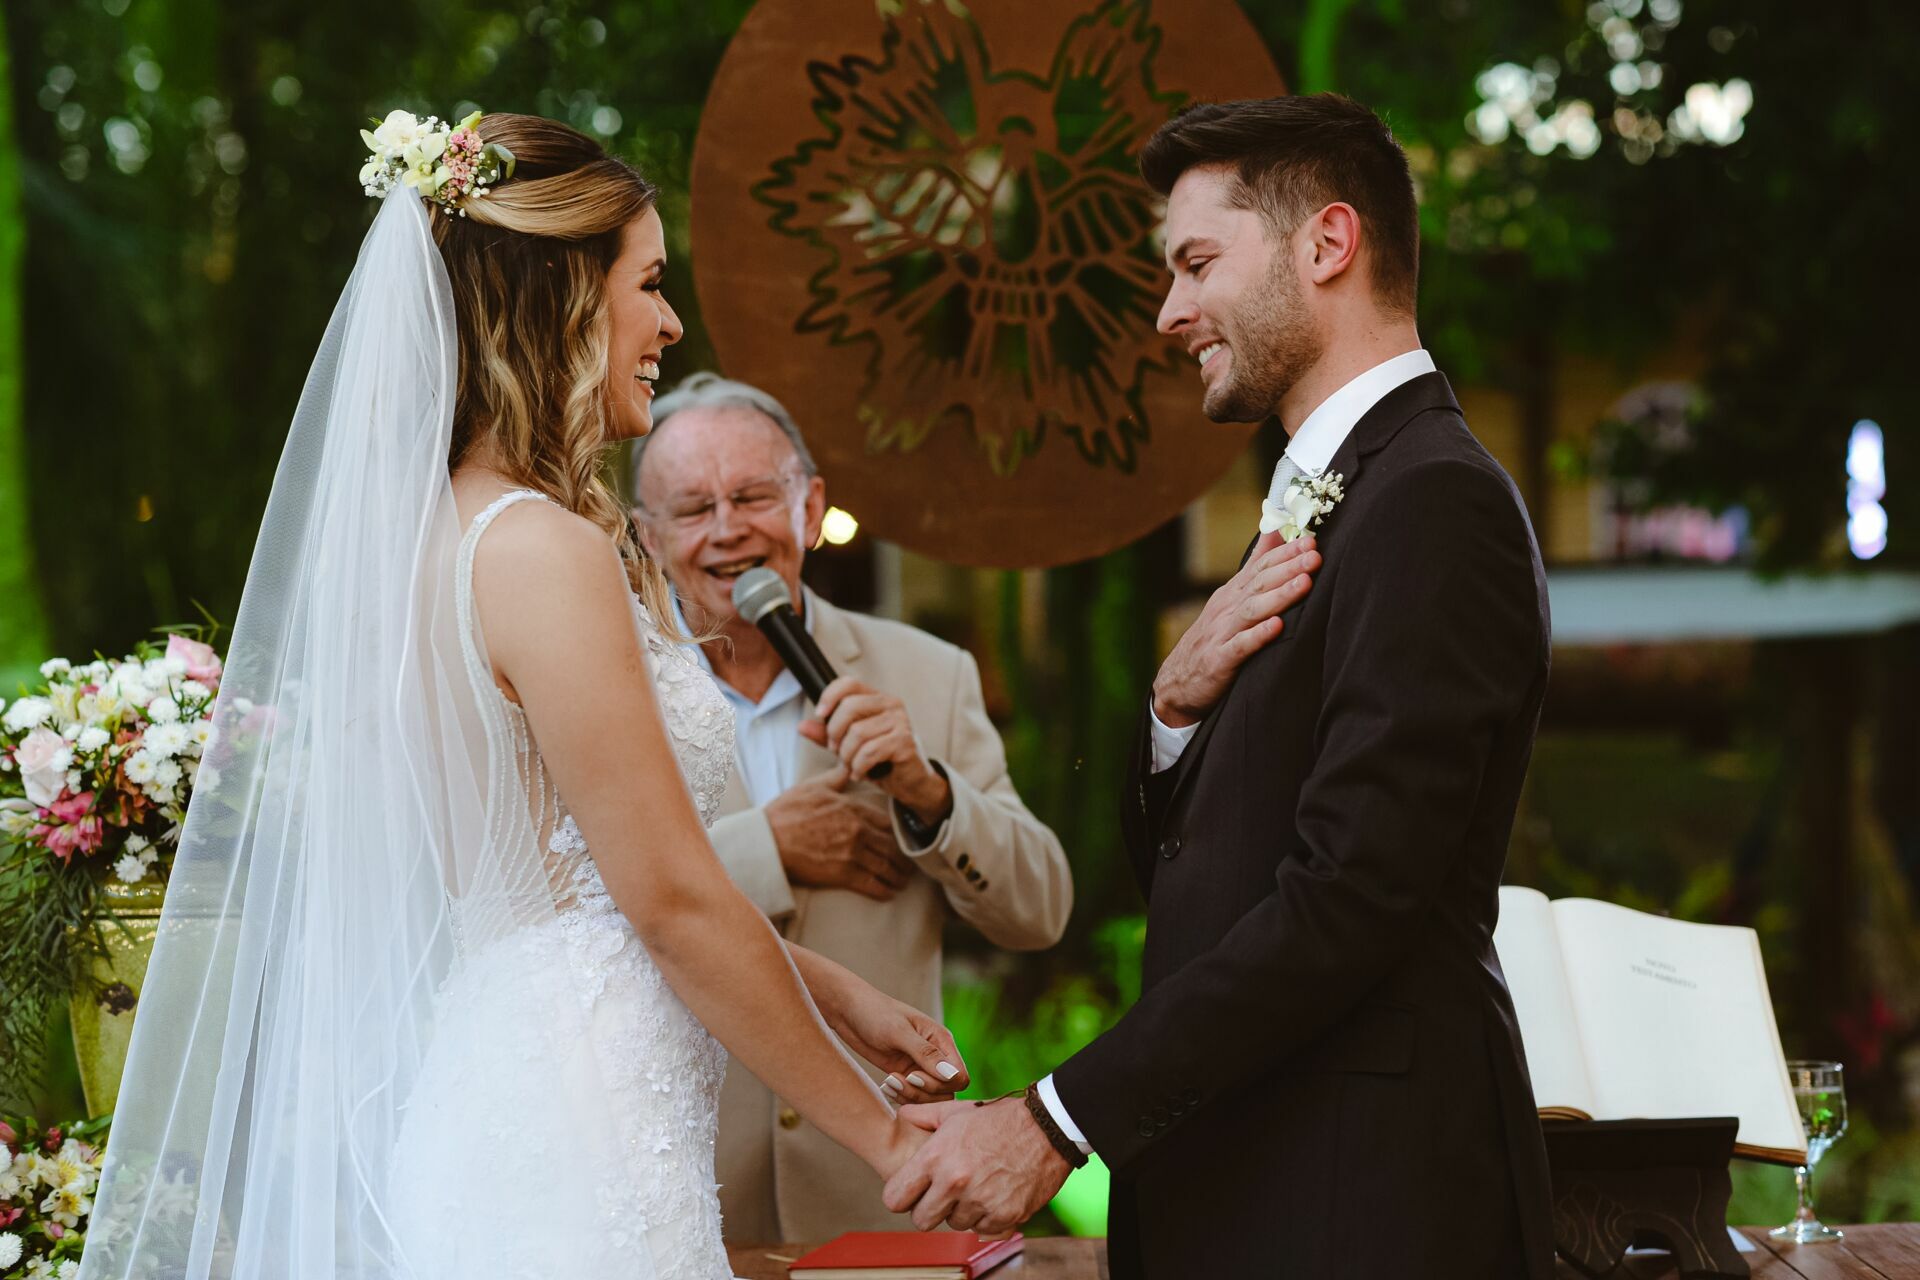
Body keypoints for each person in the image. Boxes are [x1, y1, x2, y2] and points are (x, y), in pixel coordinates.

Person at [81, 111, 968, 1280]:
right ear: (564, 299)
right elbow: (664, 900)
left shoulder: (440, 540)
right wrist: (889, 1136)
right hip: (583, 1136)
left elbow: (579, 891)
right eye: (649, 284)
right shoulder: (542, 551)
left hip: (524, 1093)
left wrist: (837, 992)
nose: (670, 323)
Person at [884, 94, 1557, 1279]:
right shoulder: (1331, 500)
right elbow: (1210, 877)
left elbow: (1350, 895)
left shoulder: (1433, 500)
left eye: (1197, 263)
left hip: (1362, 1205)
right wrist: (1172, 717)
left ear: (1327, 243)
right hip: (1255, 1181)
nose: (1169, 311)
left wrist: (1055, 1119)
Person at [628, 373, 1073, 1240]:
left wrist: (927, 793)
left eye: (754, 496)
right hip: (686, 1190)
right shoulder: (614, 690)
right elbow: (581, 907)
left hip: (879, 1198)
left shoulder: (928, 673)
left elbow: (1040, 912)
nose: (728, 528)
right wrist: (767, 848)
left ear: (809, 507)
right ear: (649, 537)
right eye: (693, 509)